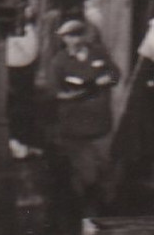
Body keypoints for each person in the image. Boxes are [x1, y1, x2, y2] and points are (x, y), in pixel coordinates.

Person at [48, 18, 117, 222]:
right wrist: (77, 93)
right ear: (64, 39)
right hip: (76, 129)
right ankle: (85, 221)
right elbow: (55, 92)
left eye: (78, 34)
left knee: (106, 173)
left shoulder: (99, 53)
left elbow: (115, 74)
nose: (74, 40)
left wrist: (106, 79)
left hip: (101, 125)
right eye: (69, 36)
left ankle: (105, 218)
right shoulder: (59, 62)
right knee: (85, 178)